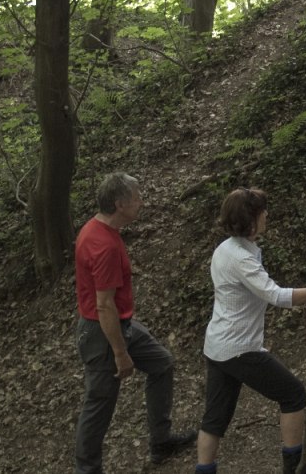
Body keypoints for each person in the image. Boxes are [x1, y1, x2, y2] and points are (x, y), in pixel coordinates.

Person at [195, 188, 306, 474]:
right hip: (239, 349)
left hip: (217, 347)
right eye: (262, 211)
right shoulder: (240, 257)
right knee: (293, 395)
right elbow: (275, 296)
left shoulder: (226, 249)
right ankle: (295, 468)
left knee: (214, 419)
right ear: (250, 218)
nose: (267, 215)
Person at [74, 173, 197, 473]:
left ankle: (161, 441)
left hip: (120, 325)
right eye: (136, 197)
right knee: (99, 405)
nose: (141, 201)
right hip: (104, 333)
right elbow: (104, 306)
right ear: (119, 204)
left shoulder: (98, 228)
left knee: (162, 363)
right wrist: (119, 352)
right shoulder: (104, 246)